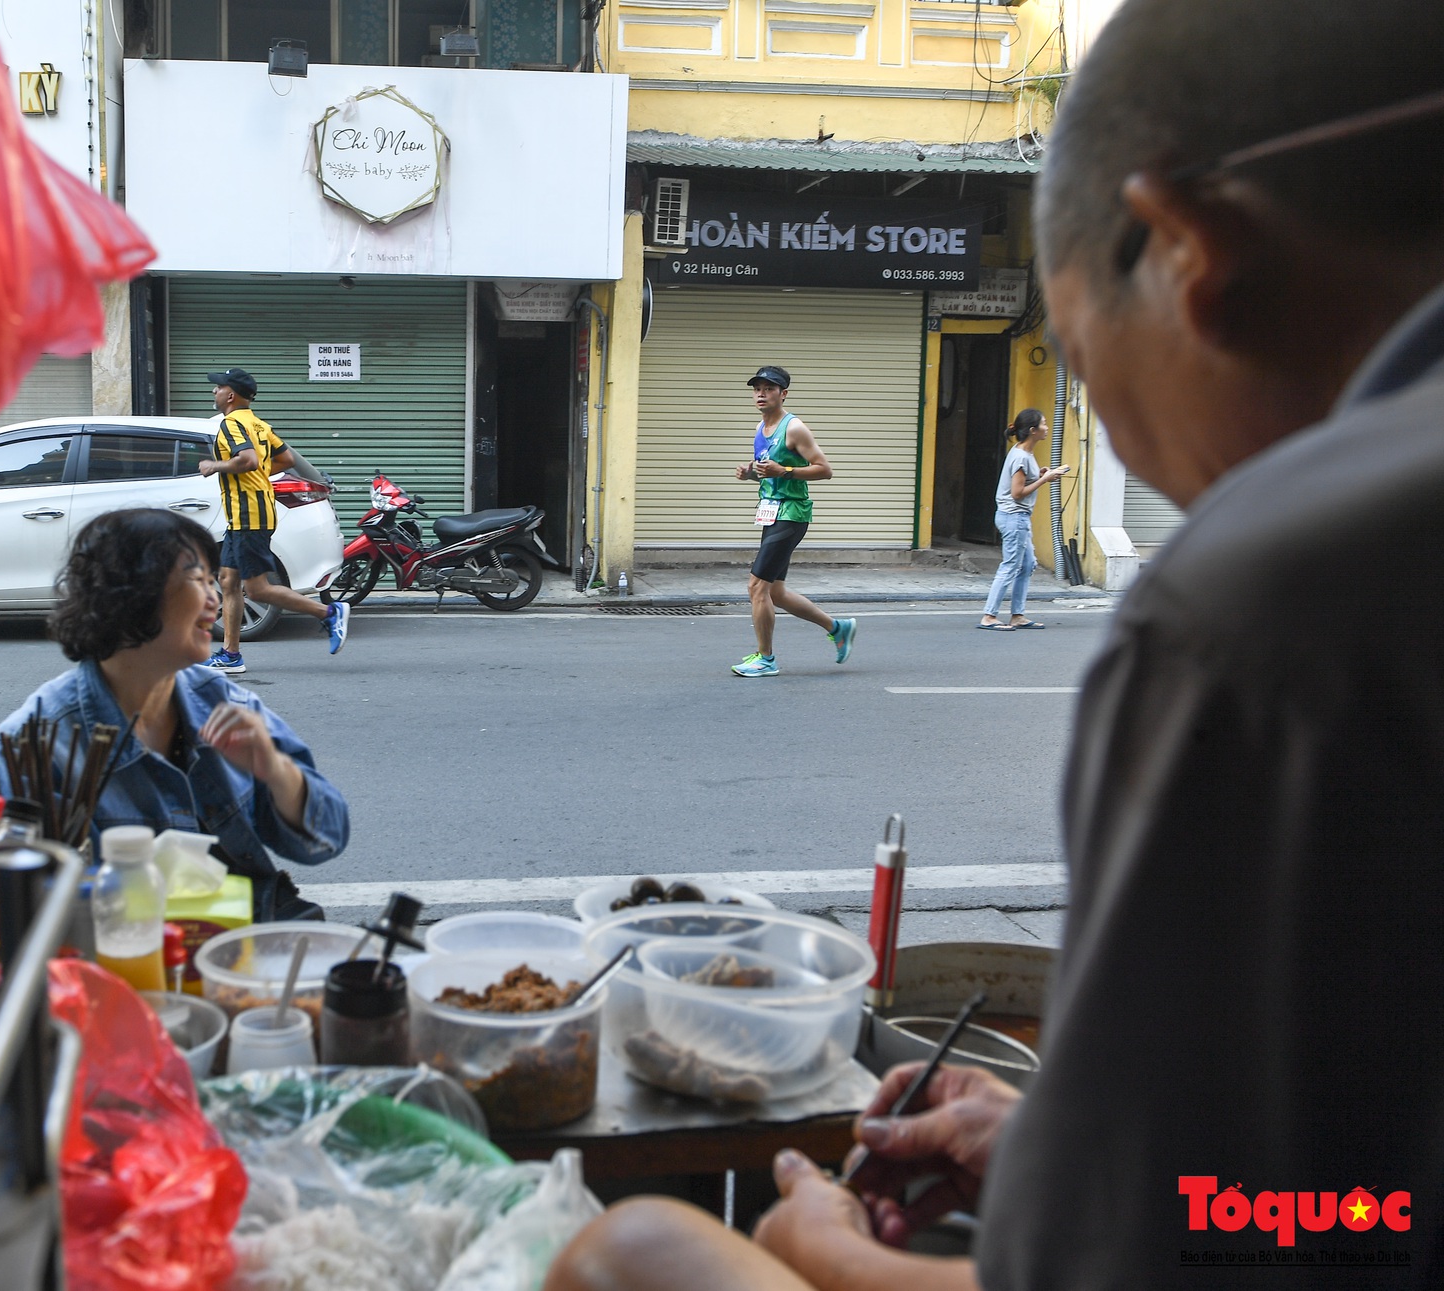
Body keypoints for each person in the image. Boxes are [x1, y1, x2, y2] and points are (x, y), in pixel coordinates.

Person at [552, 0, 1444, 1286]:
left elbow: (1192, 1255)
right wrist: (1064, 1153)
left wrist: (837, 1255)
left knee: (633, 1245)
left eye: (1085, 357)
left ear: (1192, 253)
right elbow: (1353, 1212)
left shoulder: (1277, 611)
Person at [0, 508, 349, 922]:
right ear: (131, 593)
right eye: (197, 580)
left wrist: (275, 768)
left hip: (248, 943)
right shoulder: (37, 744)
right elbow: (37, 909)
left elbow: (328, 838)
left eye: (213, 581)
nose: (216, 600)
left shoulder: (226, 703)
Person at [198, 367, 349, 673]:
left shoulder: (232, 424)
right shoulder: (257, 423)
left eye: (217, 388)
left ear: (231, 395)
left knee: (257, 590)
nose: (213, 392)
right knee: (228, 581)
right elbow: (286, 460)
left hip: (249, 515)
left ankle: (329, 613)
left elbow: (249, 460)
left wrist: (215, 465)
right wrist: (255, 474)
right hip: (247, 515)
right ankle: (231, 654)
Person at [729, 366, 858, 677]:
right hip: (772, 512)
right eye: (757, 388)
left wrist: (784, 471)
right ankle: (837, 628)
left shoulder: (794, 428)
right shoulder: (761, 428)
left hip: (792, 514)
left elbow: (824, 469)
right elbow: (770, 472)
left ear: (782, 394)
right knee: (775, 592)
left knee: (756, 586)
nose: (761, 393)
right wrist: (751, 474)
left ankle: (766, 659)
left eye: (769, 388)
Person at [976, 410, 1071, 631]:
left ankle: (1017, 615)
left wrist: (1040, 475)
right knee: (1010, 565)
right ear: (1032, 430)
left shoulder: (1024, 453)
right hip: (1013, 517)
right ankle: (989, 616)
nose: (1047, 428)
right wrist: (1045, 479)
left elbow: (1021, 483)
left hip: (1017, 517)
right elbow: (1017, 493)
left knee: (1027, 564)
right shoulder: (1020, 456)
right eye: (1044, 424)